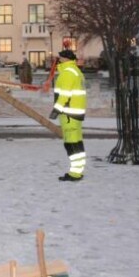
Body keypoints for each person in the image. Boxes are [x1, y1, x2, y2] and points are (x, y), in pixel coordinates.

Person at [49, 49, 86, 181]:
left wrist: (56, 109)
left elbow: (65, 94)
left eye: (60, 57)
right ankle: (78, 170)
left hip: (68, 113)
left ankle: (75, 173)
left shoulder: (67, 72)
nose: (58, 59)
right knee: (76, 142)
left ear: (65, 59)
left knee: (70, 143)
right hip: (75, 112)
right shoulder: (76, 71)